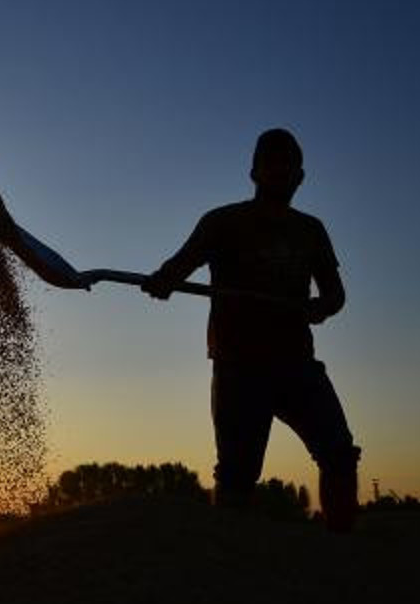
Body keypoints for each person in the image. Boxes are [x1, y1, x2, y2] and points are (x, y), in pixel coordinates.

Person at [140, 128, 360, 532]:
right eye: (271, 164)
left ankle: (341, 543)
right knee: (237, 476)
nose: (279, 172)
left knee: (339, 453)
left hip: (297, 364)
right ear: (254, 172)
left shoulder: (311, 231)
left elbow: (335, 294)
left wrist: (321, 308)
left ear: (300, 176)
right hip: (239, 365)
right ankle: (230, 557)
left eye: (287, 165)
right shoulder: (222, 222)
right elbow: (179, 266)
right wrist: (163, 281)